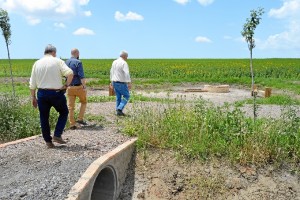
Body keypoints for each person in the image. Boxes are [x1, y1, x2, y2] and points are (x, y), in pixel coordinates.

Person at [29, 44, 74, 148]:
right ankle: (57, 135)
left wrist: (33, 97)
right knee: (64, 112)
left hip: (41, 93)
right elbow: (70, 73)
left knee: (44, 117)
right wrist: (66, 85)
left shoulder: (37, 63)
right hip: (56, 93)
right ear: (53, 52)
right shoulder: (57, 61)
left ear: (45, 52)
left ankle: (48, 142)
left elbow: (32, 83)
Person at [65, 48, 88, 130]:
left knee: (70, 107)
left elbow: (64, 75)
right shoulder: (78, 62)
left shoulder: (66, 62)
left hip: (69, 87)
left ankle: (72, 124)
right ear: (77, 53)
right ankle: (80, 119)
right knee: (84, 102)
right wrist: (84, 86)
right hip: (78, 87)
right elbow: (81, 76)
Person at [110, 50, 131, 116]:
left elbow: (111, 72)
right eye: (127, 56)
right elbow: (127, 73)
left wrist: (111, 82)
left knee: (118, 97)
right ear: (124, 56)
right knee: (126, 96)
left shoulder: (114, 62)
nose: (127, 58)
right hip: (121, 83)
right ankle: (119, 108)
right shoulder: (124, 63)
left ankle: (118, 112)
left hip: (114, 82)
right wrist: (129, 82)